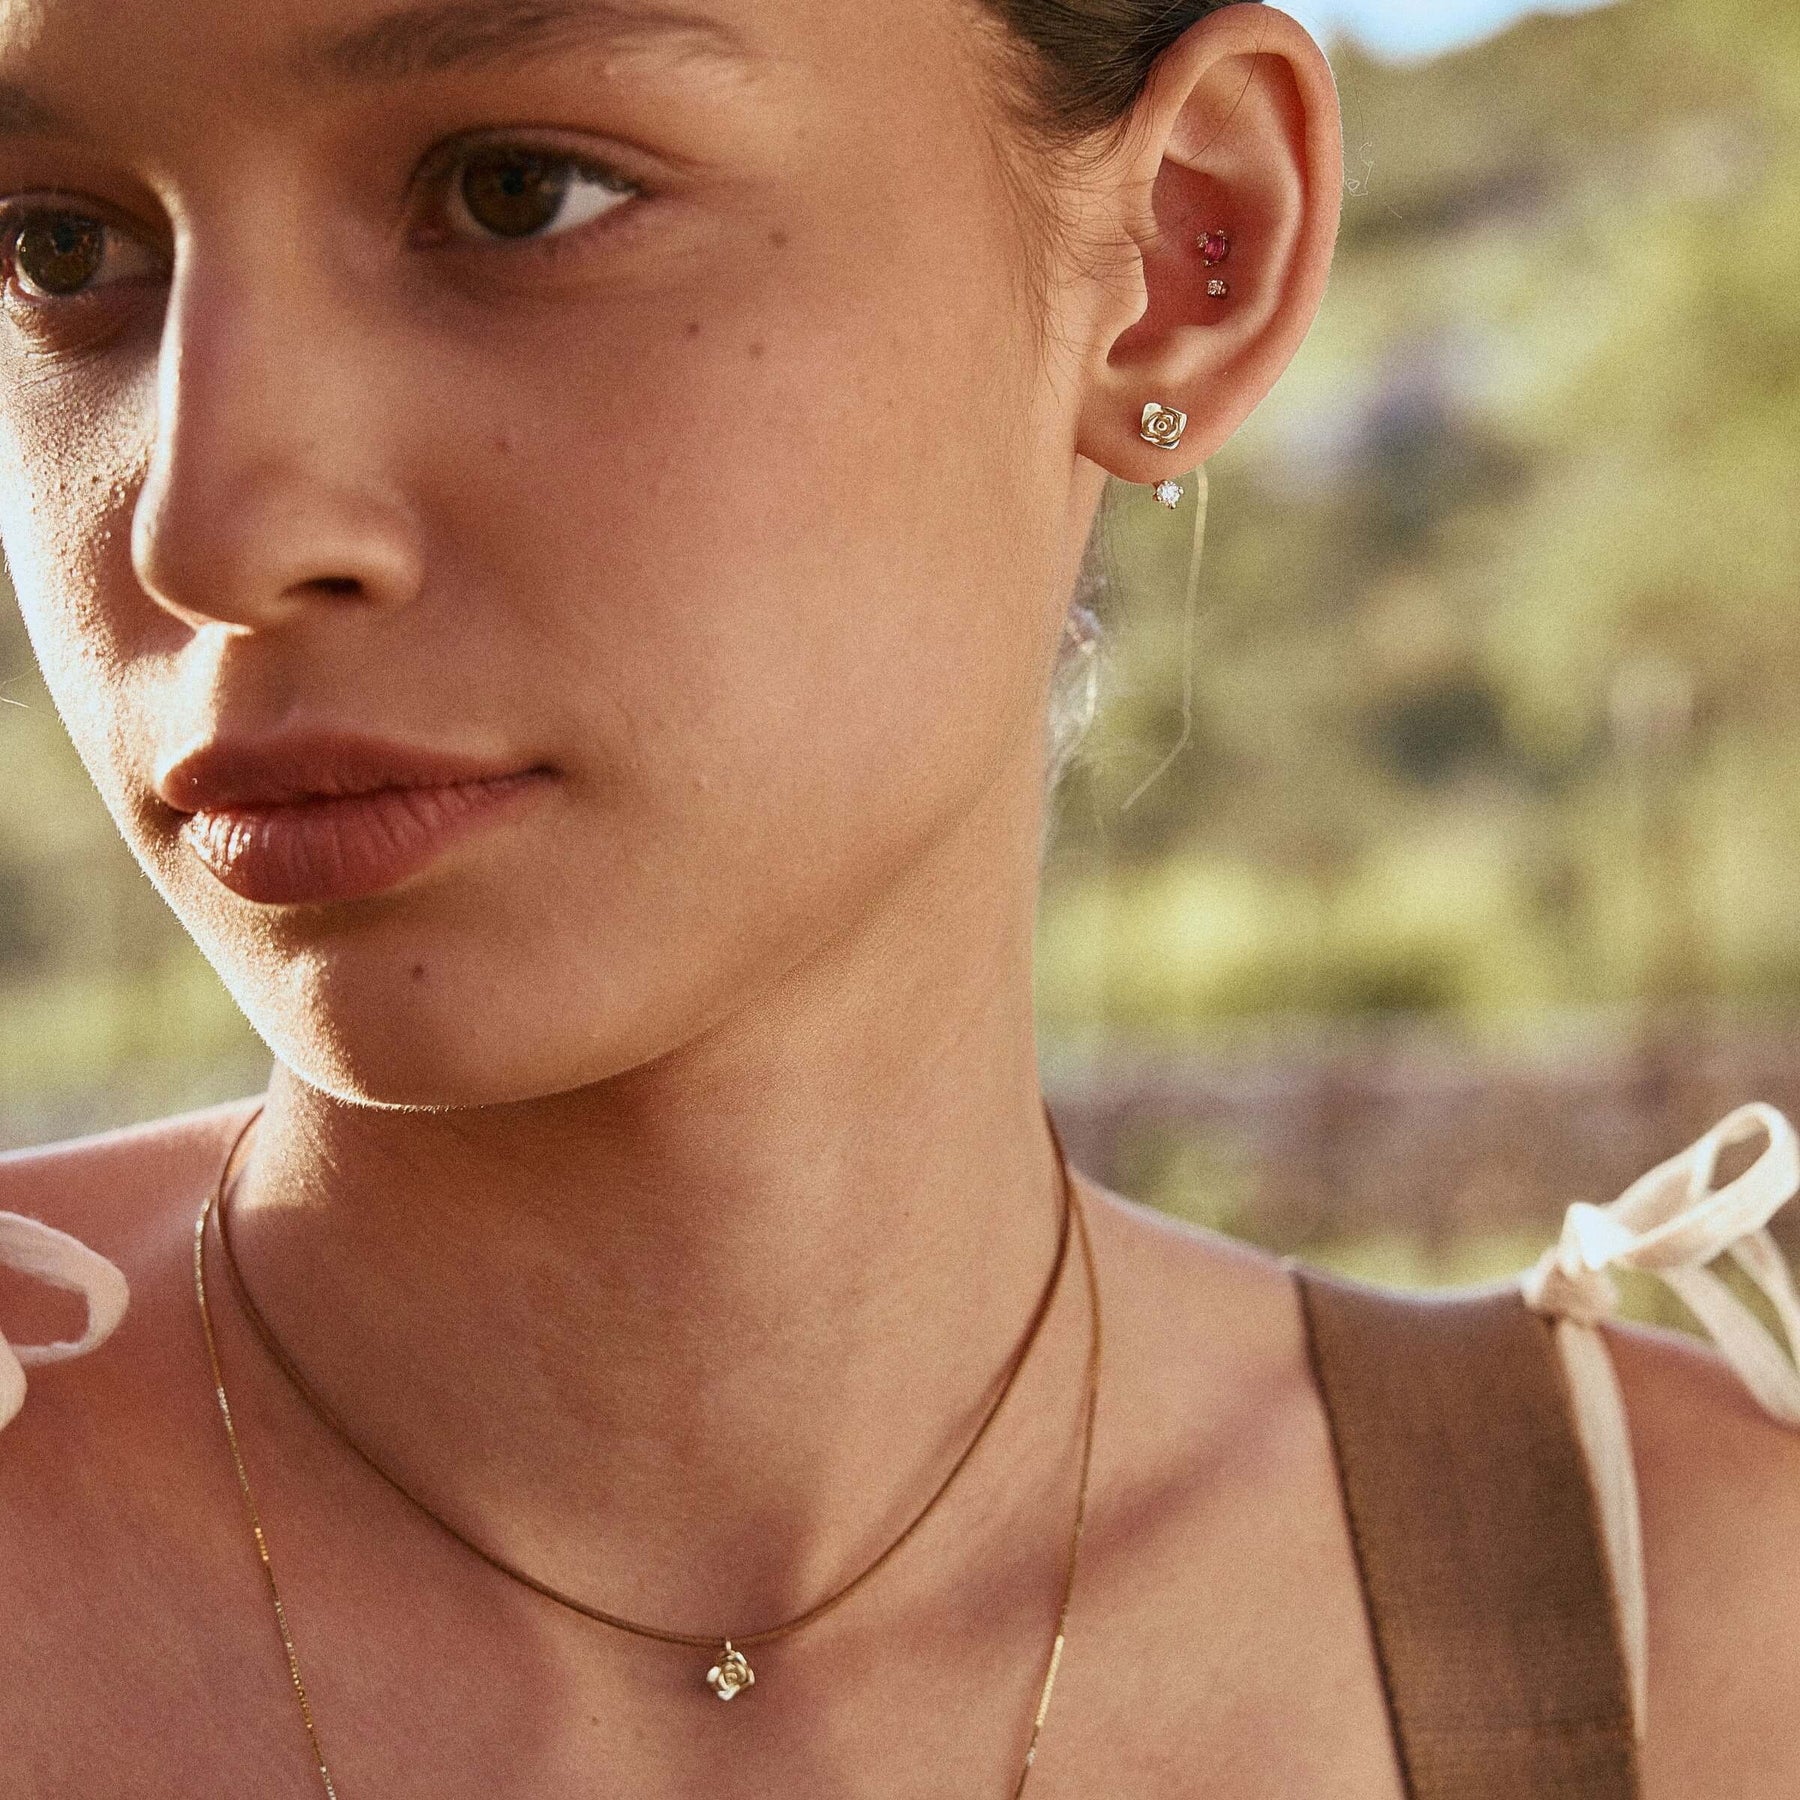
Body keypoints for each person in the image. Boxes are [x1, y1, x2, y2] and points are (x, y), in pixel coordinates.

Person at [0, 0, 1796, 1793]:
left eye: (517, 193)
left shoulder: (1697, 1646)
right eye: (52, 247)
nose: (206, 535)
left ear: (1185, 256)